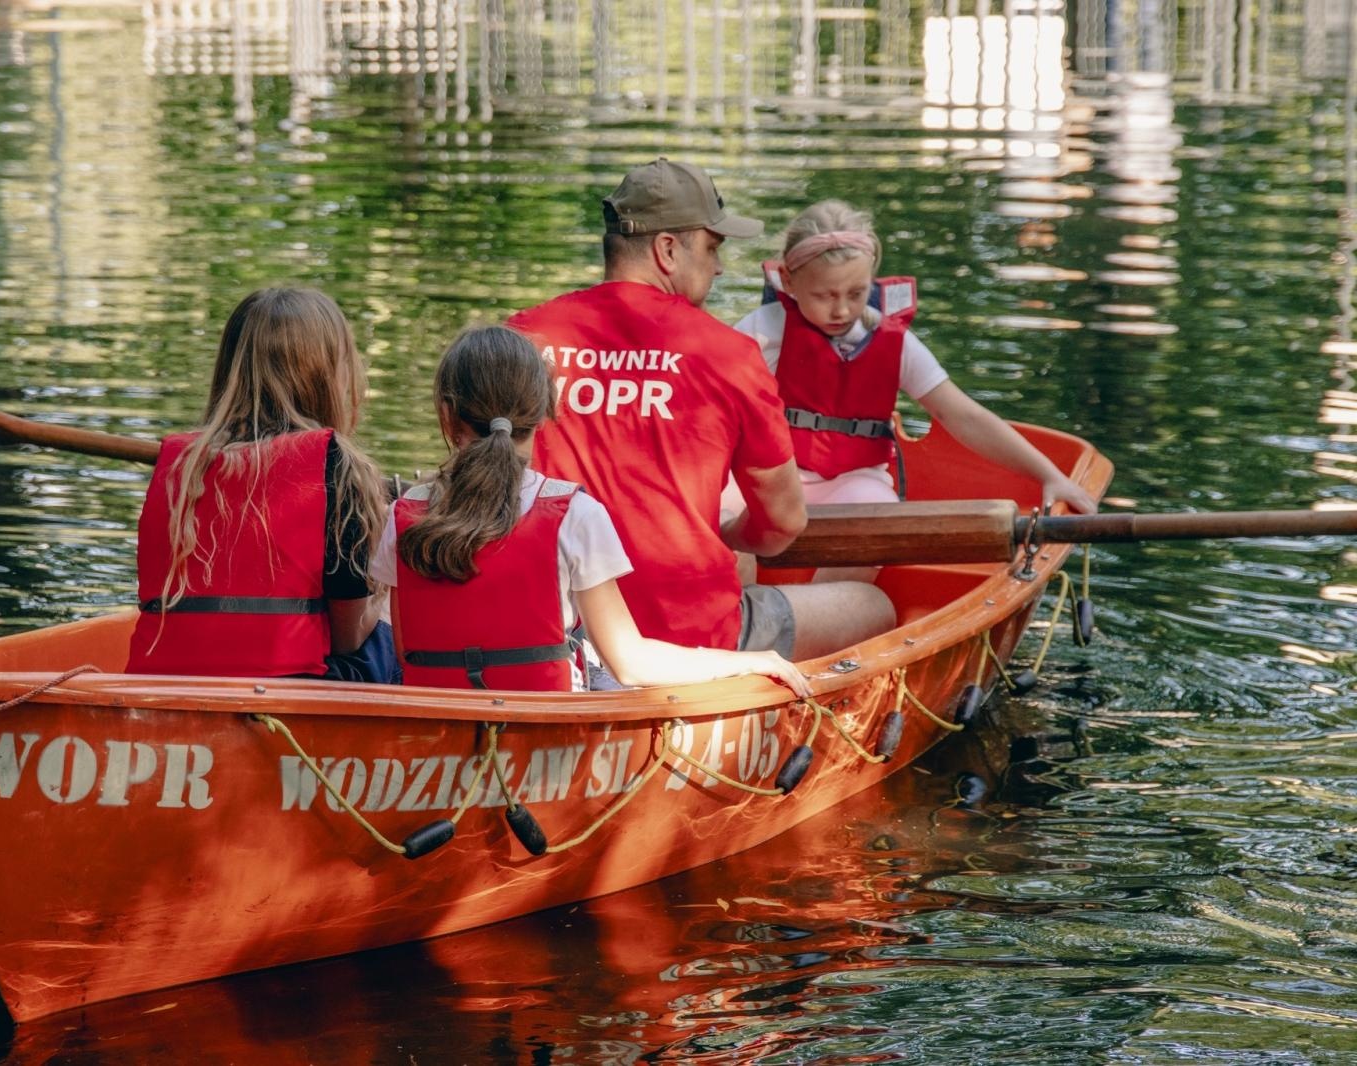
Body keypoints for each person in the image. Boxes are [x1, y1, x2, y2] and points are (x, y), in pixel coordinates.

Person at [507, 158, 895, 663]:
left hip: (548, 631)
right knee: (875, 606)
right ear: (668, 250)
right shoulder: (728, 354)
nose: (718, 267)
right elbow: (782, 522)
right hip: (687, 633)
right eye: (712, 248)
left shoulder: (522, 338)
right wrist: (734, 535)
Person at [368, 325, 811, 696]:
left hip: (438, 737)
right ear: (546, 412)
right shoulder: (574, 514)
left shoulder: (404, 515)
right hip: (549, 736)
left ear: (447, 416)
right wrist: (748, 661)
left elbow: (408, 654)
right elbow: (633, 665)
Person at [733, 199, 1099, 521]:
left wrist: (1050, 476)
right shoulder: (763, 331)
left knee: (877, 522)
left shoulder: (894, 342)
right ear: (788, 281)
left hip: (854, 483)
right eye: (824, 295)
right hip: (771, 474)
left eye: (857, 293)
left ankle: (825, 600)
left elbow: (962, 415)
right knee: (712, 508)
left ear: (871, 282)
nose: (842, 309)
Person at [127, 286, 397, 682]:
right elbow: (348, 639)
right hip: (288, 690)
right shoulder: (336, 464)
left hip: (166, 681)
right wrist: (388, 585)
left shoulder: (179, 464)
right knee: (396, 612)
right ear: (328, 375)